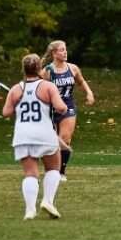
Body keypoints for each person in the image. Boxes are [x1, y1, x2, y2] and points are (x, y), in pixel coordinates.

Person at [2, 53, 68, 219]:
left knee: (30, 173)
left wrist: (16, 101)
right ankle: (47, 200)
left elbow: (6, 112)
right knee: (53, 168)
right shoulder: (47, 86)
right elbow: (61, 108)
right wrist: (65, 108)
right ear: (39, 68)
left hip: (23, 135)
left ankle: (30, 210)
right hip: (44, 134)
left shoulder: (16, 89)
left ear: (24, 69)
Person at [41, 40, 95, 181]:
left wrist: (89, 93)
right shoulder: (48, 71)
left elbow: (81, 81)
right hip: (51, 109)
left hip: (68, 106)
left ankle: (61, 172)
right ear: (54, 53)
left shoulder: (73, 68)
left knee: (65, 138)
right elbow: (38, 87)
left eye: (65, 49)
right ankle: (51, 169)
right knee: (52, 142)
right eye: (61, 50)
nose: (65, 52)